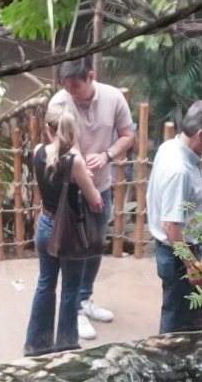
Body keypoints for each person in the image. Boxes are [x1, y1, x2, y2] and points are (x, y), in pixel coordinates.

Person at [45, 57, 136, 339]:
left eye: (76, 86)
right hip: (70, 190)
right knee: (73, 251)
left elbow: (127, 134)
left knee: (95, 245)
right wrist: (79, 165)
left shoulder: (113, 97)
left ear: (91, 77)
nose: (70, 92)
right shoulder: (58, 102)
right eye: (66, 86)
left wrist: (108, 154)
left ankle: (85, 299)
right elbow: (52, 144)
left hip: (102, 184)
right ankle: (74, 310)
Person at [23, 108, 104, 356]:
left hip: (45, 225)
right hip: (68, 232)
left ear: (48, 129)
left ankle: (37, 344)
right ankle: (67, 345)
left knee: (45, 284)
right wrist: (86, 180)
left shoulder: (38, 152)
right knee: (71, 288)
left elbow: (53, 171)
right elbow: (96, 201)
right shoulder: (75, 161)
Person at [147, 98, 202, 335]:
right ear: (201, 135)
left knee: (187, 316)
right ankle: (169, 369)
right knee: (179, 325)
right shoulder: (179, 169)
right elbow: (170, 225)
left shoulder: (168, 146)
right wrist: (191, 267)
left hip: (183, 250)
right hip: (179, 255)